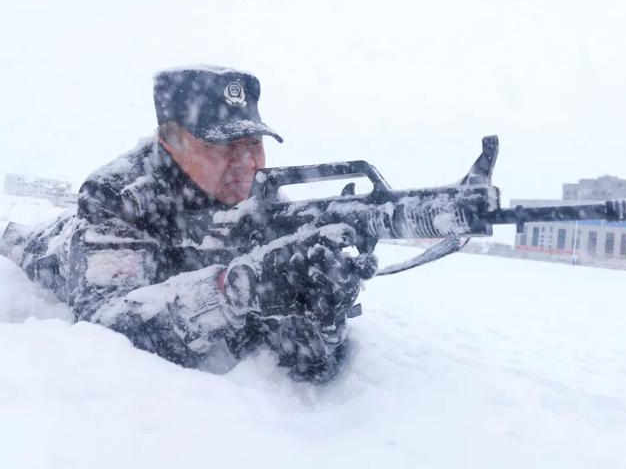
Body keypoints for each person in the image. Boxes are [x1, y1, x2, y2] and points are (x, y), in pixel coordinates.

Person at [0, 66, 377, 382]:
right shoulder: (117, 197)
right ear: (170, 142)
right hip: (57, 249)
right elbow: (103, 326)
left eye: (254, 145)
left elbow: (303, 361)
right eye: (224, 147)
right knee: (15, 242)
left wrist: (323, 313)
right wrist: (235, 291)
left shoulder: (264, 199)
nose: (248, 164)